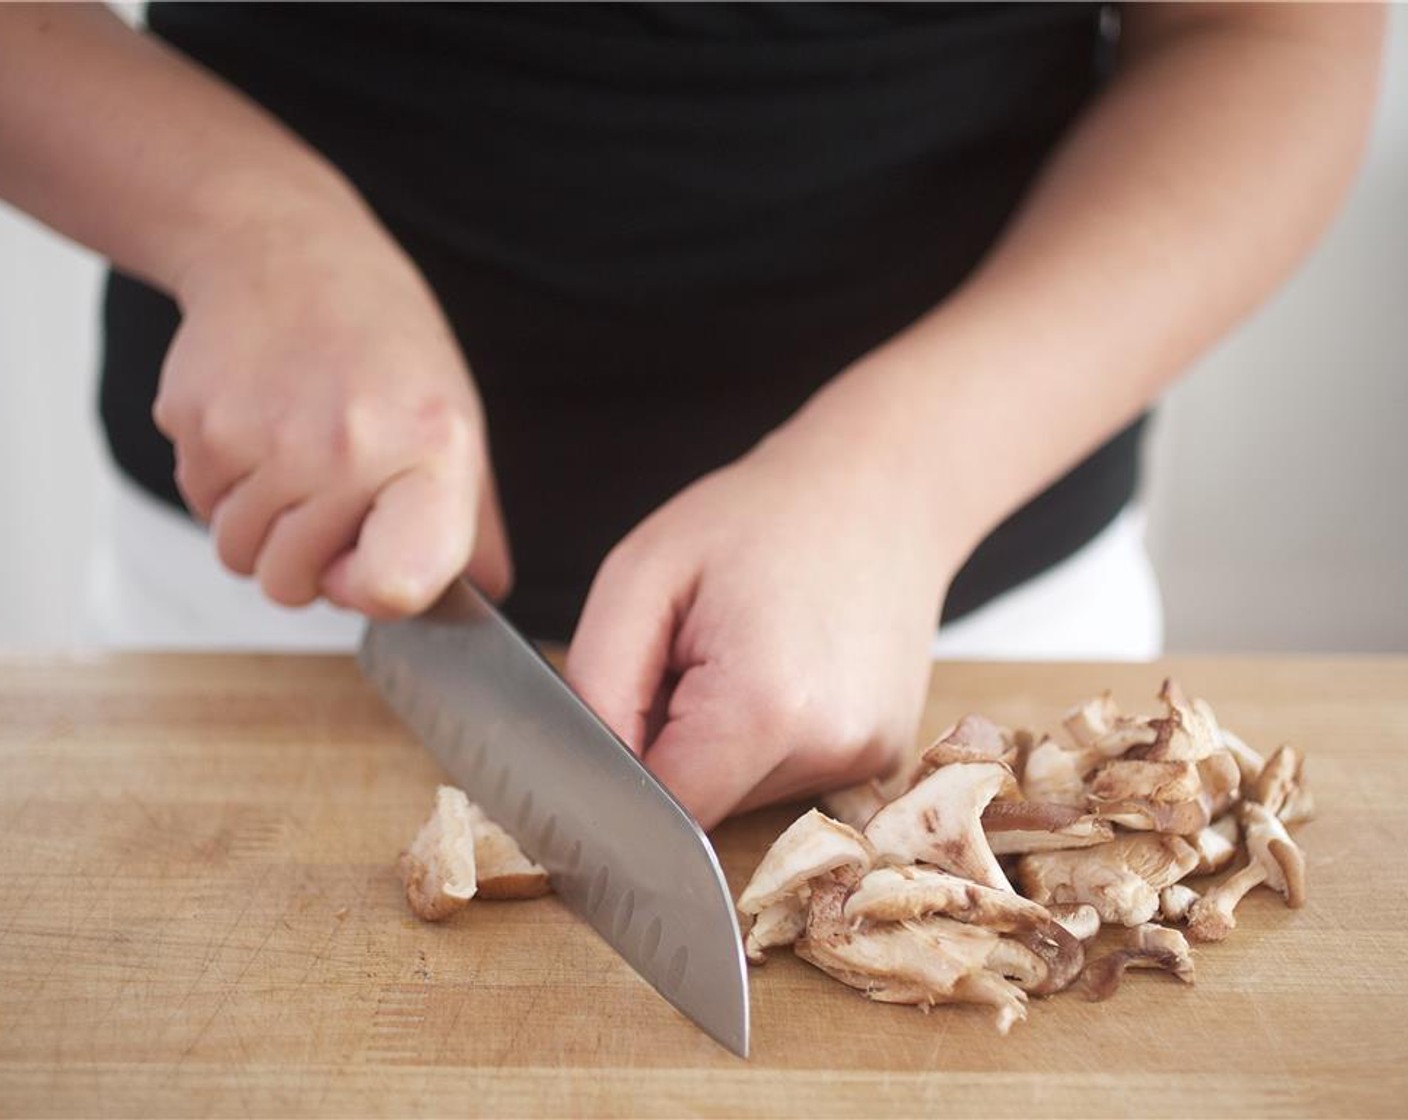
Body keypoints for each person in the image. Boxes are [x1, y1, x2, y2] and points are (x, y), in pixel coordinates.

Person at [0, 3, 1383, 829]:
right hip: (277, 583)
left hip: (970, 631)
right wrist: (247, 225)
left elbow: (1269, 29)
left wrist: (906, 476)